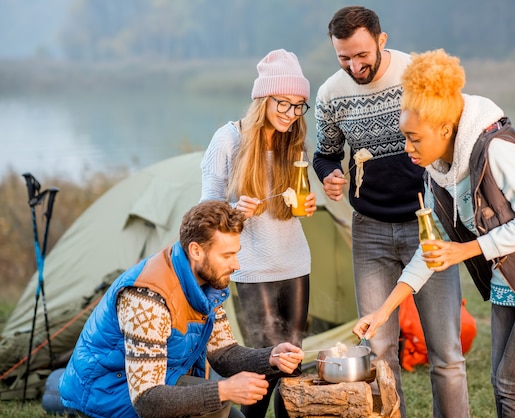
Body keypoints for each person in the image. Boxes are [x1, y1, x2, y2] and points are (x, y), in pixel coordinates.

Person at [353, 48, 515, 418]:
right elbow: (433, 249)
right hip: (508, 265)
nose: (407, 148)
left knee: (514, 382)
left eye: (414, 138)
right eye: (406, 136)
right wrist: (385, 311)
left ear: (445, 130)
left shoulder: (496, 150)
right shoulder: (436, 169)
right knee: (501, 381)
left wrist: (464, 251)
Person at [312, 6, 468, 418]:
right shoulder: (330, 93)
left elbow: (452, 134)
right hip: (370, 229)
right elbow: (326, 154)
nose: (354, 65)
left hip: (429, 222)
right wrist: (329, 175)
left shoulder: (416, 76)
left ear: (381, 40)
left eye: (361, 55)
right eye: (344, 57)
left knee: (446, 351)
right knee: (378, 347)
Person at [59, 200, 305, 418]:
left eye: (236, 254)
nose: (236, 264)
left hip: (158, 383)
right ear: (196, 250)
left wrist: (270, 357)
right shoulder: (149, 298)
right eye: (227, 255)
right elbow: (147, 401)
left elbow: (223, 353)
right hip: (107, 398)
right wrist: (224, 390)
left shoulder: (207, 285)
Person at [200, 48, 316, 418]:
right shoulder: (228, 140)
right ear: (263, 99)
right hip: (251, 269)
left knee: (292, 363)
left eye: (299, 106)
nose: (291, 114)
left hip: (295, 263)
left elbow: (294, 206)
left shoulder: (292, 141)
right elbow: (204, 216)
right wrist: (234, 213)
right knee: (264, 365)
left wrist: (307, 206)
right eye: (283, 103)